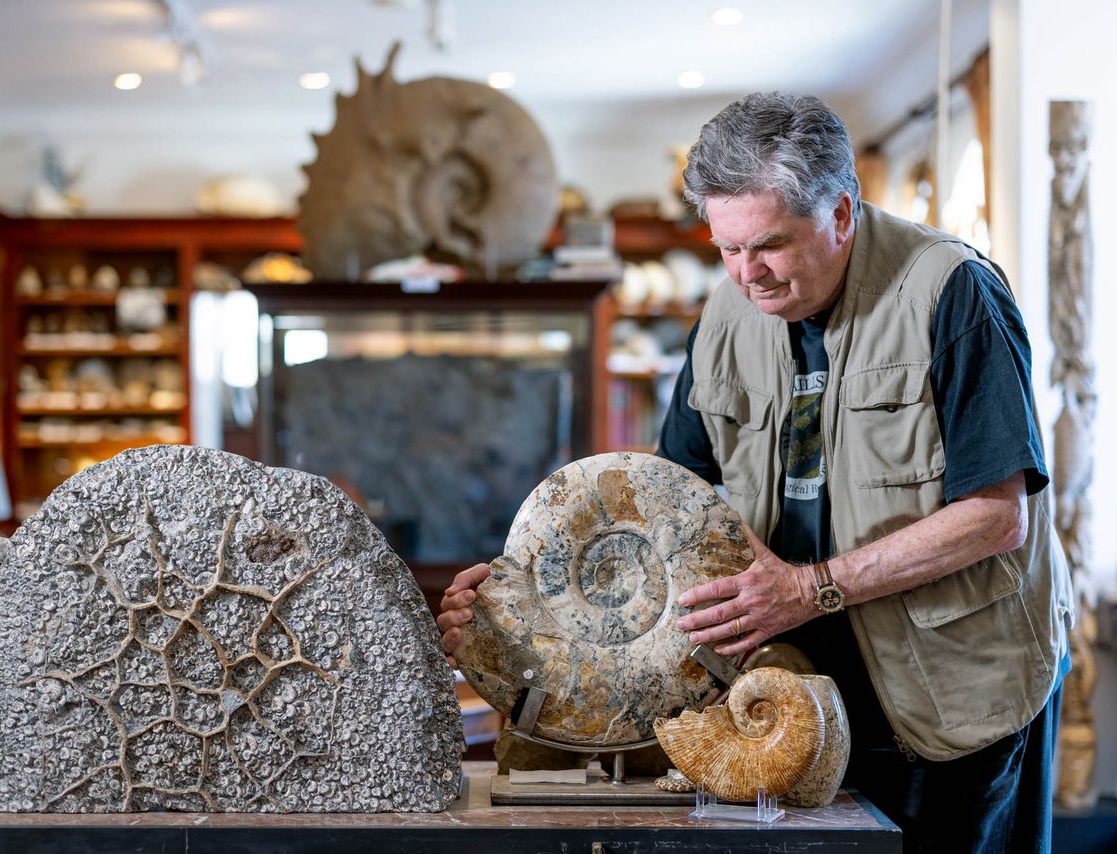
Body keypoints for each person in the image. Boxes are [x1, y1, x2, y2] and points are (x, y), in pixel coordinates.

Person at [437, 92, 1073, 853]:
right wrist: (520, 616)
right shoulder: (723, 315)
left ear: (841, 213)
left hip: (957, 689)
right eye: (726, 249)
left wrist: (810, 589)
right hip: (790, 685)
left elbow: (997, 516)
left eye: (768, 244)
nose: (747, 275)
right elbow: (661, 510)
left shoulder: (953, 291)